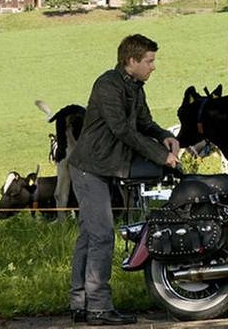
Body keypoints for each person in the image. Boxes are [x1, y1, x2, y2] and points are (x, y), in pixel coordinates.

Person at [67, 33, 180, 325]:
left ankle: (79, 304)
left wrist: (165, 136)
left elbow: (143, 122)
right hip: (89, 168)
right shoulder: (107, 85)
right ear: (131, 61)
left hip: (106, 167)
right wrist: (160, 156)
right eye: (149, 61)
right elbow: (122, 130)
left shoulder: (136, 87)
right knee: (102, 235)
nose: (153, 66)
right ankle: (99, 308)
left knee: (89, 236)